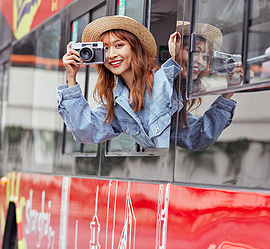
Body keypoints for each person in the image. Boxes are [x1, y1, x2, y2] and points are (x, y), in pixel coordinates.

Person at [57, 15, 181, 149]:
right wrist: (71, 77)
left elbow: (196, 136)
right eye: (105, 49)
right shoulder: (117, 103)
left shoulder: (162, 81)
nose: (111, 55)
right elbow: (87, 133)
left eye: (119, 45)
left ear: (135, 47)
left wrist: (176, 58)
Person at [167, 21, 242, 150]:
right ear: (175, 48)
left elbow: (195, 137)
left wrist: (229, 90)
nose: (199, 61)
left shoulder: (179, 93)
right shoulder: (152, 82)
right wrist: (173, 62)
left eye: (206, 57)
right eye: (194, 52)